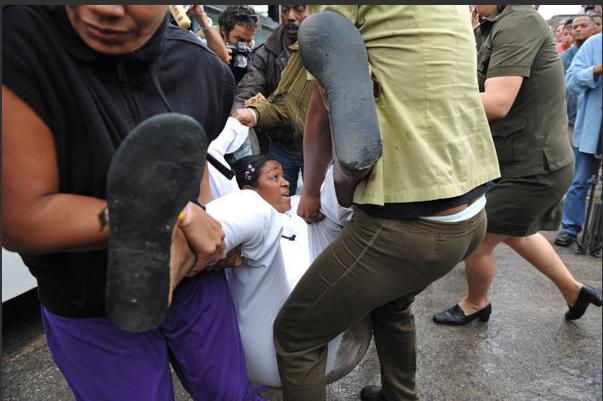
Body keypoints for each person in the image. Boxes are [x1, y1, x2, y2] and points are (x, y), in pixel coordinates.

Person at [2, 5, 263, 401]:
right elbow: (23, 218)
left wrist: (209, 226)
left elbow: (194, 164)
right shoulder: (21, 43)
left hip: (193, 281)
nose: (102, 7)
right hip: (90, 299)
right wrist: (175, 213)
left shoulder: (201, 68)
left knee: (229, 393)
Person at [272, 6, 502, 401]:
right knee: (392, 303)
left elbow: (320, 111)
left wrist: (310, 193)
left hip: (407, 226)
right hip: (471, 209)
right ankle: (400, 395)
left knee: (296, 337)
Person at [434, 6, 602, 329]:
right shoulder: (491, 25)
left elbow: (497, 102)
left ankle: (476, 302)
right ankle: (573, 291)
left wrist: (429, 103)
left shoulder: (519, 22)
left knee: (478, 237)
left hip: (534, 166)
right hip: (516, 161)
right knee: (516, 233)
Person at [204, 154, 371, 388]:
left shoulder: (301, 205)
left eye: (283, 176)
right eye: (274, 177)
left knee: (330, 192)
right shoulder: (252, 211)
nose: (285, 182)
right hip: (267, 339)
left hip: (335, 335)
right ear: (249, 188)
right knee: (253, 212)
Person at [235, 5, 310, 193]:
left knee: (321, 208)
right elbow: (246, 93)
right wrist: (252, 106)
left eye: (299, 9)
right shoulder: (264, 54)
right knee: (278, 204)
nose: (290, 17)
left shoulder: (326, 47)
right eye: (285, 10)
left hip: (318, 144)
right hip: (280, 144)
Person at [555, 32, 602, 247]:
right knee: (579, 182)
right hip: (592, 130)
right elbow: (571, 81)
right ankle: (570, 228)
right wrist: (596, 70)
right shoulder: (594, 44)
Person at [560, 15, 595, 143]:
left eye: (583, 26)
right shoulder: (563, 58)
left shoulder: (597, 54)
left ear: (593, 29)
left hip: (594, 119)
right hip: (570, 119)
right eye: (575, 27)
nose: (578, 29)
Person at [217, 5, 262, 83]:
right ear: (223, 30)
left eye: (248, 41)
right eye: (240, 40)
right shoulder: (205, 47)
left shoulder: (254, 54)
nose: (244, 46)